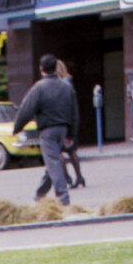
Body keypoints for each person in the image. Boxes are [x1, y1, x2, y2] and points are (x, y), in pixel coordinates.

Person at [12, 53, 79, 206]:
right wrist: (71, 134)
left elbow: (26, 109)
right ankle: (40, 194)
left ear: (41, 69)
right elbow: (74, 112)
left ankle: (63, 198)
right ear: (55, 68)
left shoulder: (39, 88)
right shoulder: (67, 87)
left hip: (47, 130)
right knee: (52, 161)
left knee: (53, 162)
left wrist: (17, 127)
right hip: (63, 129)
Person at [54, 60, 86, 188]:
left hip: (60, 121)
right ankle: (79, 177)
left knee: (58, 151)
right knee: (71, 150)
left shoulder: (60, 85)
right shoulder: (68, 83)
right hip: (69, 121)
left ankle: (67, 178)